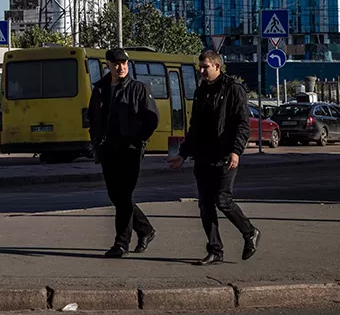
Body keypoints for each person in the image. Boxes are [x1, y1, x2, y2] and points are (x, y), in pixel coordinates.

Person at [168, 50, 261, 265]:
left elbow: (242, 124)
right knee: (205, 204)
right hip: (203, 156)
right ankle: (215, 250)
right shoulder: (201, 91)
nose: (201, 71)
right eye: (200, 67)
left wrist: (236, 151)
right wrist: (182, 154)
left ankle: (249, 232)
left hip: (224, 155)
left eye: (205, 67)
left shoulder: (233, 89)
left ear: (217, 66)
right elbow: (195, 127)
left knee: (222, 199)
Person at [87, 47, 159, 258]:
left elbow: (152, 118)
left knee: (124, 195)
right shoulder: (100, 90)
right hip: (107, 149)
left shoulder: (138, 88)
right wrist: (96, 143)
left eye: (124, 63)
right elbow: (93, 119)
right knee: (116, 195)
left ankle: (121, 244)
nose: (121, 67)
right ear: (108, 65)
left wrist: (139, 138)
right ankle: (145, 229)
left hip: (130, 150)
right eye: (116, 64)